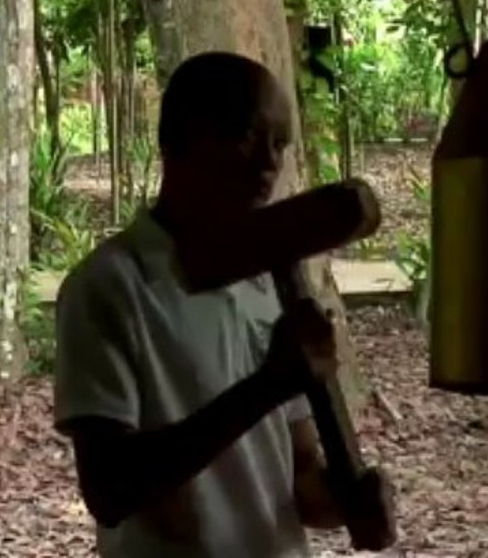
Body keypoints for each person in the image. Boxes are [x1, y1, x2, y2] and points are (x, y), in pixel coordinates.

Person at [53, 51, 352, 558]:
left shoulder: (274, 284)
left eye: (280, 144)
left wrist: (347, 499)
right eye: (246, 134)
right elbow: (111, 488)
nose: (269, 162)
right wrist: (266, 387)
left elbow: (301, 477)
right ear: (177, 140)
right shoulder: (109, 285)